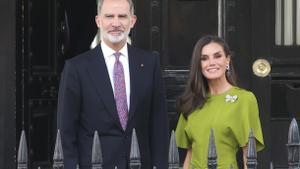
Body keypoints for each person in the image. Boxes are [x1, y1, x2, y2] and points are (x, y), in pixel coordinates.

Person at [57, 0, 169, 168]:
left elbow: (158, 125)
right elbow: (66, 131)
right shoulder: (76, 68)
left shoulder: (150, 63)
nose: (116, 23)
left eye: (122, 16)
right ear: (98, 21)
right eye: (109, 16)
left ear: (132, 21)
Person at [175, 35, 264, 169]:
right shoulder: (192, 100)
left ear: (227, 60)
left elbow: (249, 155)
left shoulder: (244, 99)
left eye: (217, 56)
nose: (211, 62)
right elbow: (190, 152)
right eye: (204, 58)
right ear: (199, 65)